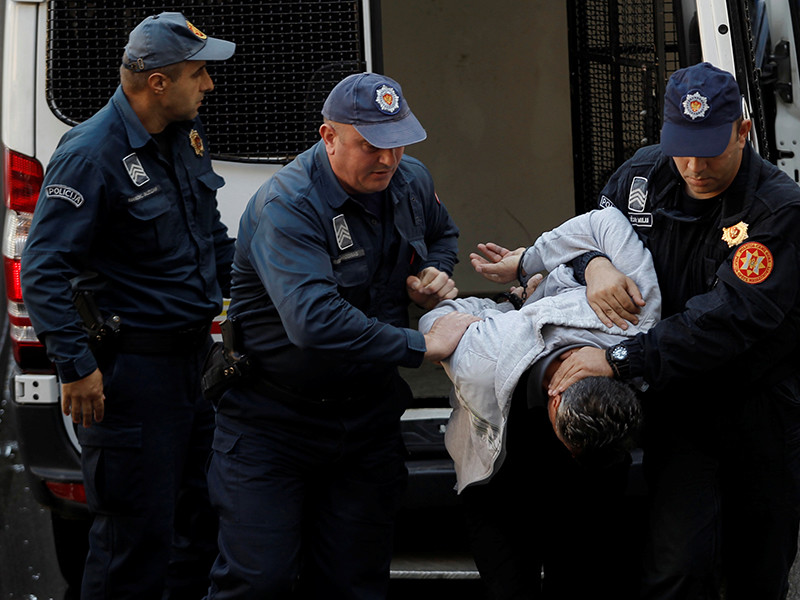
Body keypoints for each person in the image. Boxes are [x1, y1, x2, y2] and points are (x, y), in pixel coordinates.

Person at [204, 72, 477, 599]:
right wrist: (421, 345)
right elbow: (314, 320)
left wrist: (432, 273)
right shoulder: (289, 204)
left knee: (356, 583)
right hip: (273, 425)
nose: (387, 159)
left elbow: (443, 234)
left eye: (398, 143)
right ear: (328, 137)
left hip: (366, 422)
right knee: (258, 583)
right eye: (371, 145)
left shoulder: (410, 181)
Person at [548, 62, 800, 600]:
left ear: (743, 131)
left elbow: (731, 318)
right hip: (678, 405)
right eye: (682, 148)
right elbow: (579, 240)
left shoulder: (776, 208)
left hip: (757, 411)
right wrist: (594, 265)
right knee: (676, 568)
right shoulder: (641, 177)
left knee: (757, 572)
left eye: (709, 150)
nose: (693, 166)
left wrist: (619, 359)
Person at [20, 13, 236, 600]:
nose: (209, 84)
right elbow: (42, 270)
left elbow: (212, 240)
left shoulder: (184, 135)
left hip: (195, 366)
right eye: (198, 74)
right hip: (133, 377)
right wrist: (76, 366)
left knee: (200, 530)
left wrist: (272, 294)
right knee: (131, 548)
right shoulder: (90, 154)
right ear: (158, 83)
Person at [419, 207, 660, 598]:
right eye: (570, 446)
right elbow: (438, 323)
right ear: (555, 399)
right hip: (499, 485)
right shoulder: (486, 358)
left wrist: (588, 265)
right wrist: (523, 279)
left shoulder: (636, 321)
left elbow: (605, 223)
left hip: (591, 492)